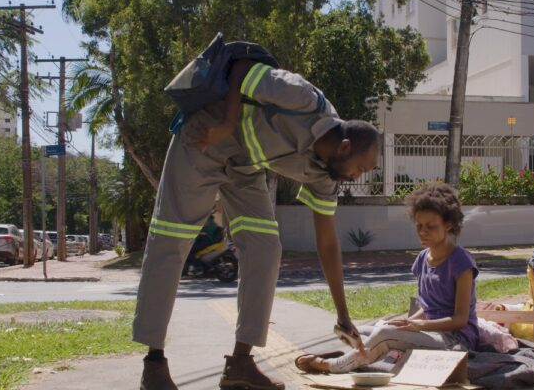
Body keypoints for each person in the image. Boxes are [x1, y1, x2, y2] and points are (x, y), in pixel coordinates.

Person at [134, 57, 378, 390]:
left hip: (244, 168)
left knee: (265, 249)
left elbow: (328, 243)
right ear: (345, 147)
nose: (356, 177)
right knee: (172, 240)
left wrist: (343, 315)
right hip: (205, 137)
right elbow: (241, 68)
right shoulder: (306, 99)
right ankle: (154, 364)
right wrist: (225, 124)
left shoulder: (326, 176)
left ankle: (240, 364)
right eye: (359, 168)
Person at [295, 183, 479, 374]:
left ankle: (333, 365)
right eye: (419, 225)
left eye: (431, 226)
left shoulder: (461, 262)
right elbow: (430, 307)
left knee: (383, 334)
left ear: (448, 225)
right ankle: (359, 355)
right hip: (429, 332)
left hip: (456, 340)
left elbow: (460, 319)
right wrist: (405, 323)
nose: (423, 231)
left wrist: (419, 326)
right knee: (364, 330)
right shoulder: (423, 258)